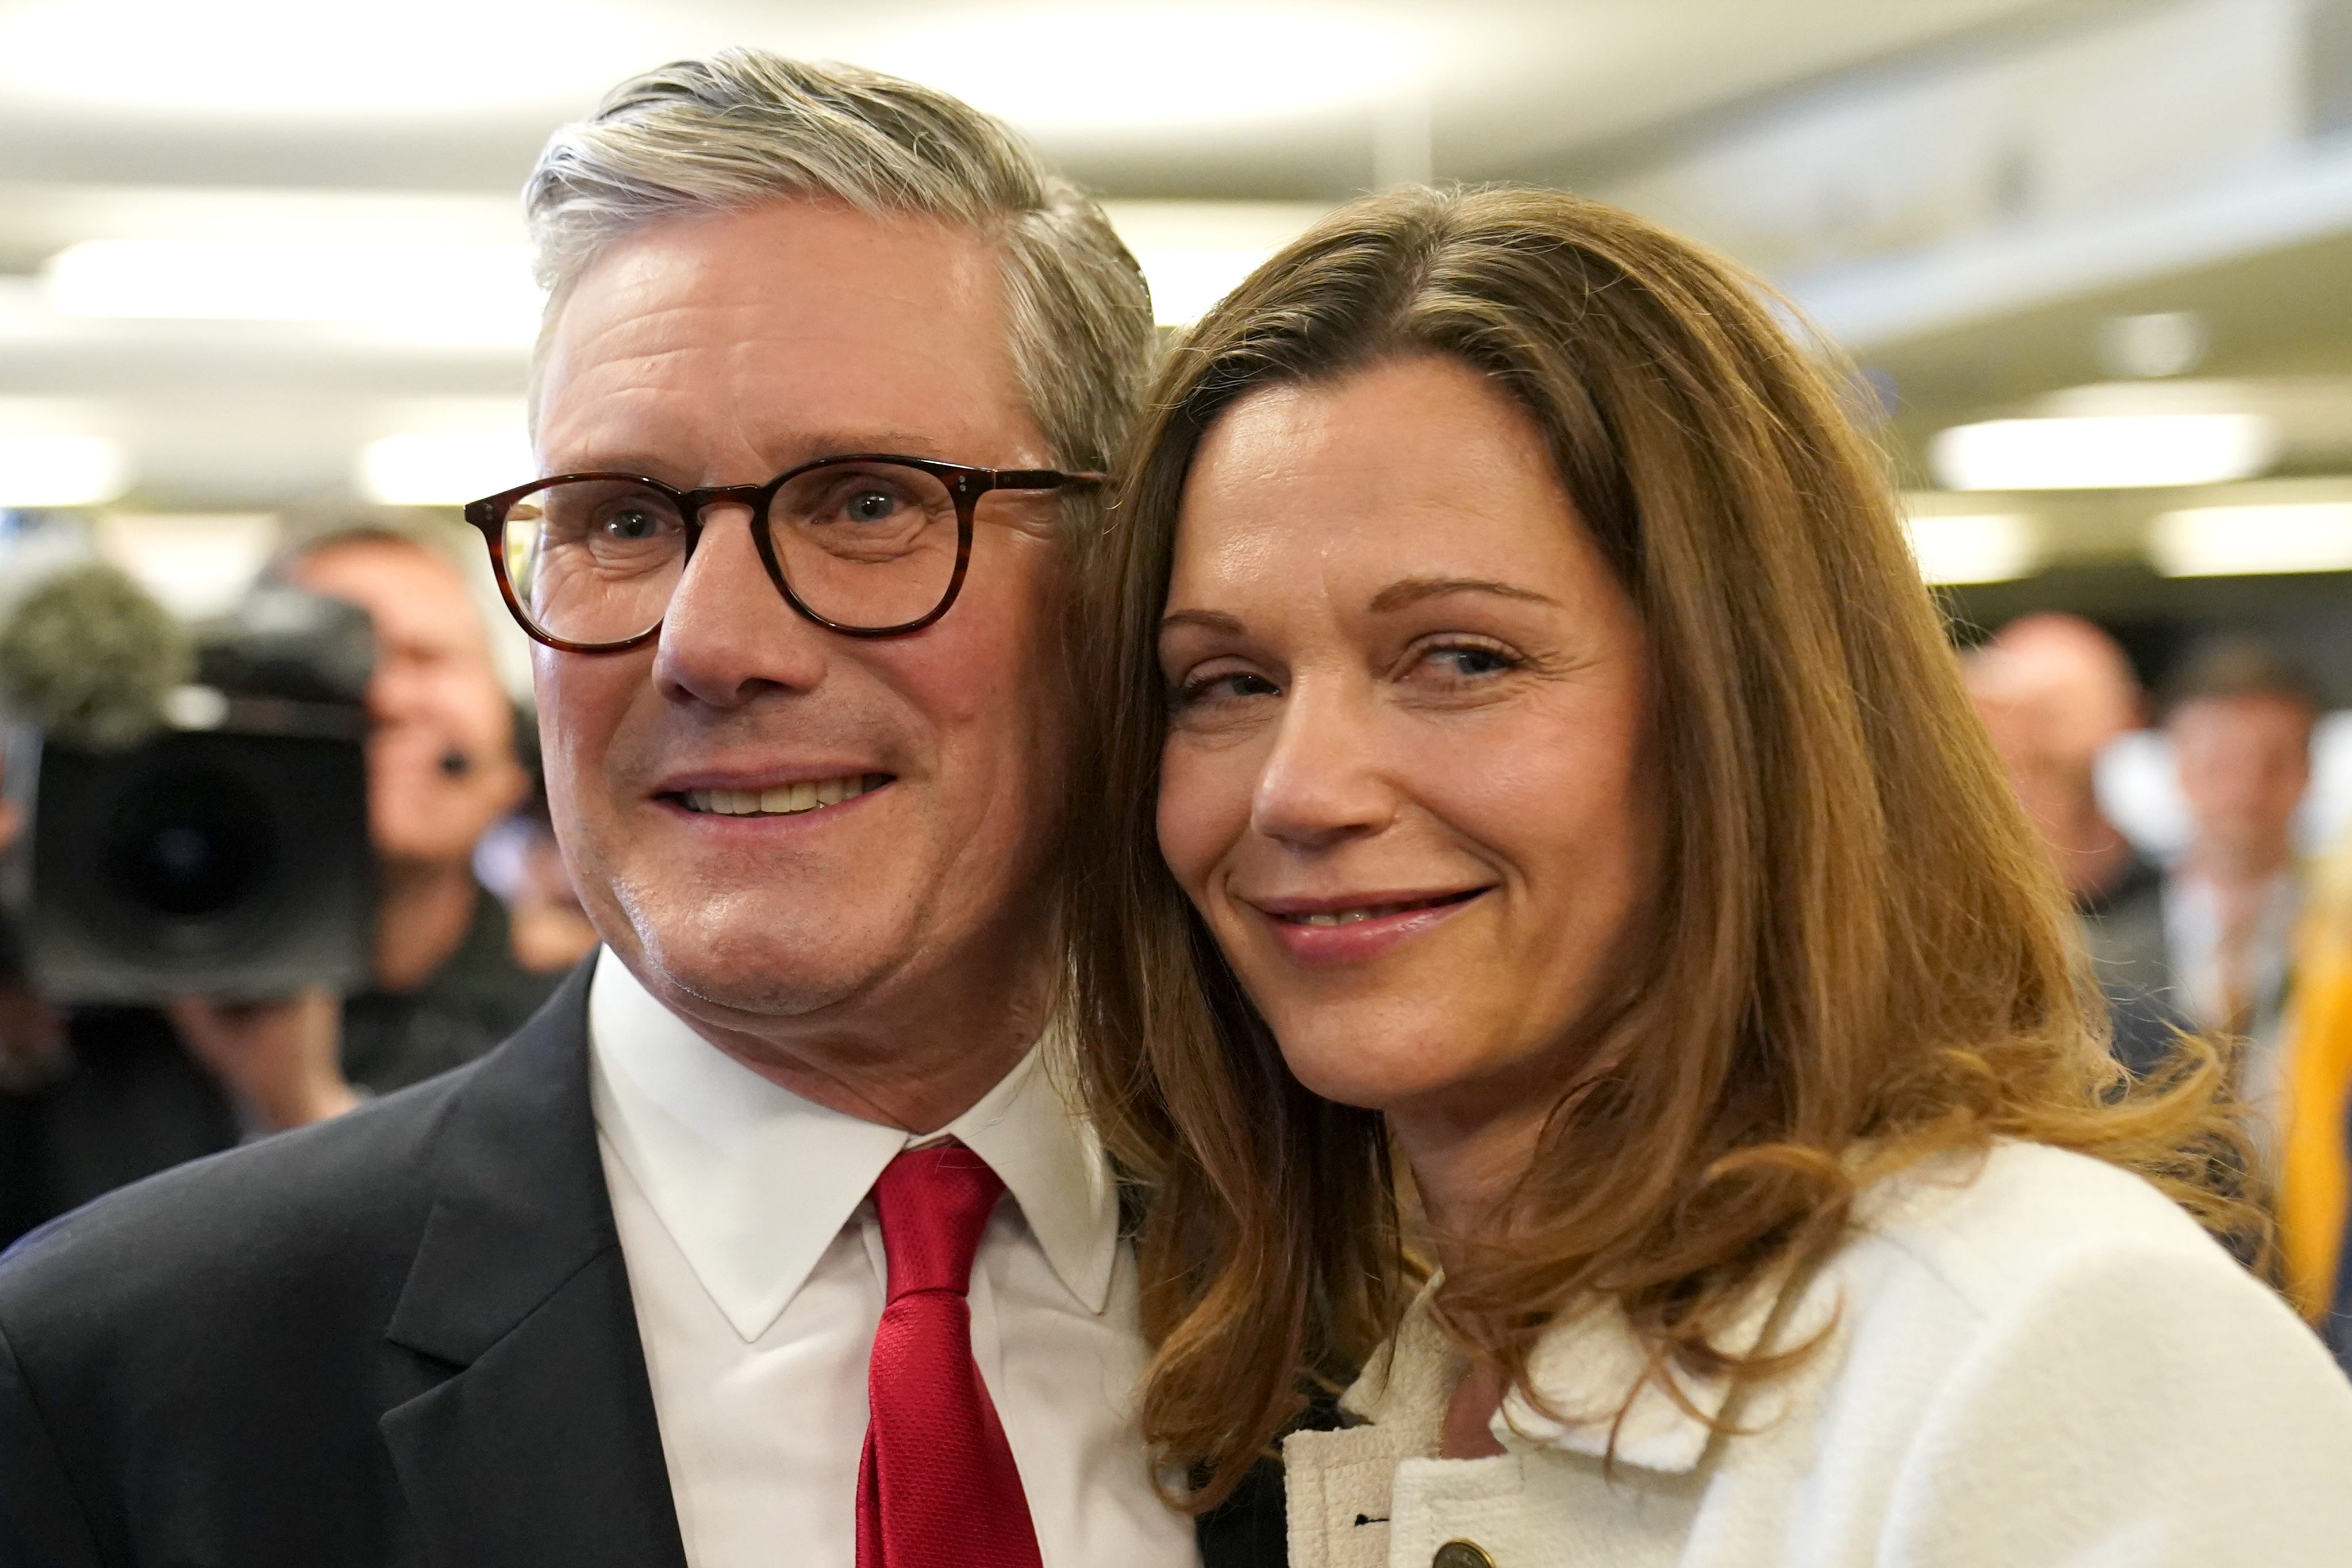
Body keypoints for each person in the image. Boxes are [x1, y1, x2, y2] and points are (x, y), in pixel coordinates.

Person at [0, 52, 1259, 1568]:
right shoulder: (121, 1378)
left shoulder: (1386, 1285)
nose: (709, 643)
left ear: (1117, 572)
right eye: (620, 520)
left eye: (868, 501)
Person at [1066, 186, 2352, 1565]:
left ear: (1742, 714)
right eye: (1225, 680)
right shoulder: (1354, 1354)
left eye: (1460, 658)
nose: (1297, 789)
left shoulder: (2044, 1343)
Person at [0, 525, 560, 1249]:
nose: (385, 696)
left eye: (427, 658)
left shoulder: (573, 1026)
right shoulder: (74, 1000)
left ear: (511, 757)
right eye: (329, 670)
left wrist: (301, 1109)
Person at [1963, 613, 2180, 1073]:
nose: (2038, 727)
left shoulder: (2178, 892)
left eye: (2058, 707)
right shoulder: (1955, 905)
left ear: (2129, 713)